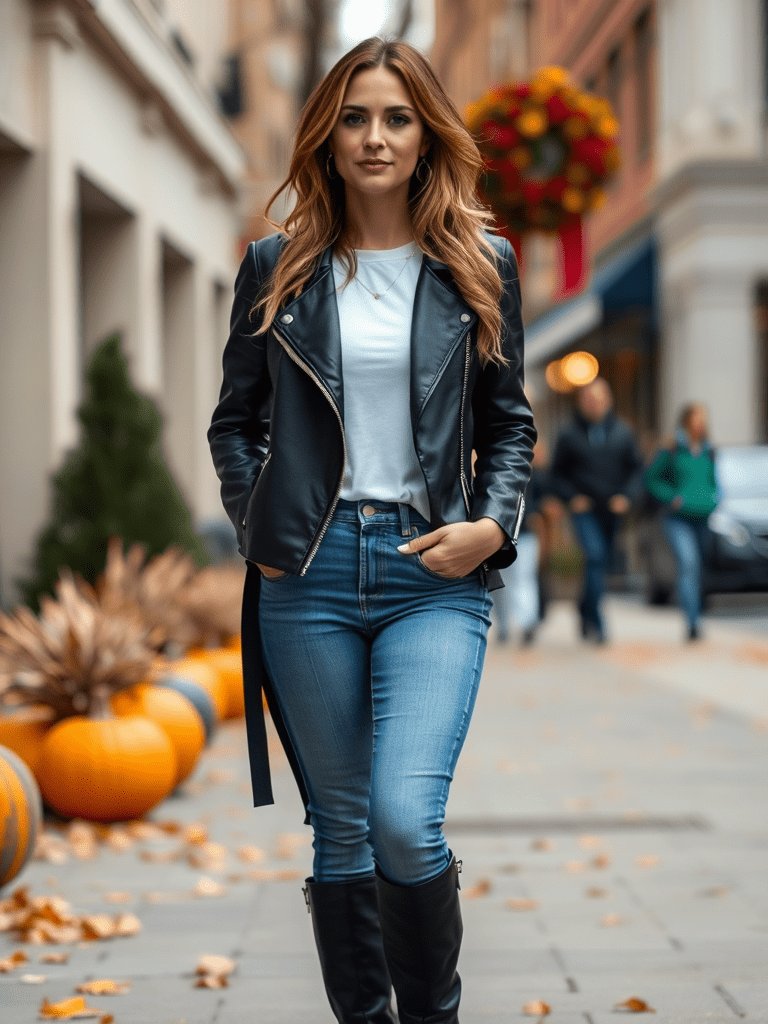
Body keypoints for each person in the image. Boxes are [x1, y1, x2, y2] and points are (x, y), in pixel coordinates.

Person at [207, 37, 536, 1024]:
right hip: (305, 573)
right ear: (327, 135)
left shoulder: (483, 262)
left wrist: (492, 525)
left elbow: (508, 419)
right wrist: (255, 523)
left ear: (427, 132)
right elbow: (235, 421)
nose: (376, 137)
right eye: (355, 117)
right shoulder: (276, 265)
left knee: (403, 818)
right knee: (341, 829)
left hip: (433, 569)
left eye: (396, 117)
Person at [550, 377, 643, 643]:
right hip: (584, 510)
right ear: (582, 403)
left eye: (600, 399)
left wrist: (626, 496)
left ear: (608, 401)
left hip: (612, 511)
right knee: (594, 556)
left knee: (600, 565)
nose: (595, 404)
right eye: (590, 399)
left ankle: (584, 608)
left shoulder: (623, 433)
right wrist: (571, 497)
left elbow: (637, 471)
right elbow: (556, 475)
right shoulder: (568, 435)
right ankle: (599, 624)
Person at [644, 403, 718, 640]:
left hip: (703, 516)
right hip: (678, 518)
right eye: (696, 418)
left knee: (698, 568)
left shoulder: (709, 450)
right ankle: (693, 622)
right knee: (688, 563)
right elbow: (652, 479)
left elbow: (713, 480)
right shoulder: (672, 448)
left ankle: (695, 612)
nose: (700, 423)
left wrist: (713, 498)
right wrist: (671, 498)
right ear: (686, 421)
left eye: (703, 419)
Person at [491, 439, 552, 645]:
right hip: (497, 532)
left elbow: (544, 501)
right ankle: (505, 625)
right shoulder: (492, 466)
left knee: (524, 577)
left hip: (525, 532)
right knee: (501, 582)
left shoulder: (535, 474)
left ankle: (527, 623)